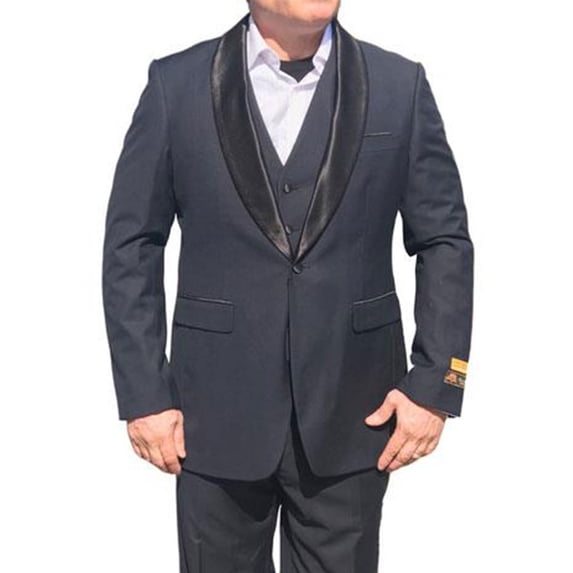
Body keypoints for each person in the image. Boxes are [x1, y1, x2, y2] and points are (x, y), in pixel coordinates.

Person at [102, 1, 474, 571]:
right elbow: (132, 244)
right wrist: (144, 394)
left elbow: (444, 240)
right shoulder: (175, 86)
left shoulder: (400, 85)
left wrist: (437, 385)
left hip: (355, 412)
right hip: (210, 416)